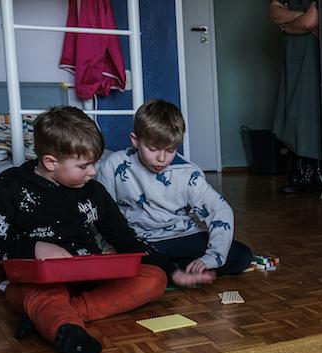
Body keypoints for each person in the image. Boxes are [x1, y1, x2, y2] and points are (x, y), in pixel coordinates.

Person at [0, 106, 214, 353]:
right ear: (51, 162)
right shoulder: (8, 190)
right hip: (39, 283)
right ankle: (65, 328)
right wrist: (35, 248)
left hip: (90, 277)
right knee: (41, 295)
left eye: (94, 163)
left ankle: (57, 315)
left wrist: (173, 271)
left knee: (154, 278)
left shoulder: (93, 191)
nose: (94, 172)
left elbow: (125, 238)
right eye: (83, 165)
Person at [98, 99, 254, 275]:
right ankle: (172, 271)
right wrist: (109, 248)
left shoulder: (188, 172)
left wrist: (211, 256)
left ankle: (167, 272)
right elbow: (103, 214)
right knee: (112, 261)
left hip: (182, 236)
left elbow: (220, 210)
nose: (162, 158)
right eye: (153, 149)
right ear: (135, 140)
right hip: (138, 240)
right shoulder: (113, 165)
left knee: (242, 256)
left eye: (170, 150)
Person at [267, 0, 322, 194]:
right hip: (293, 51)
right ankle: (300, 175)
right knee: (292, 108)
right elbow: (274, 12)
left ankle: (316, 175)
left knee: (310, 106)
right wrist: (296, 20)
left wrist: (286, 24)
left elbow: (310, 22)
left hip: (314, 52)